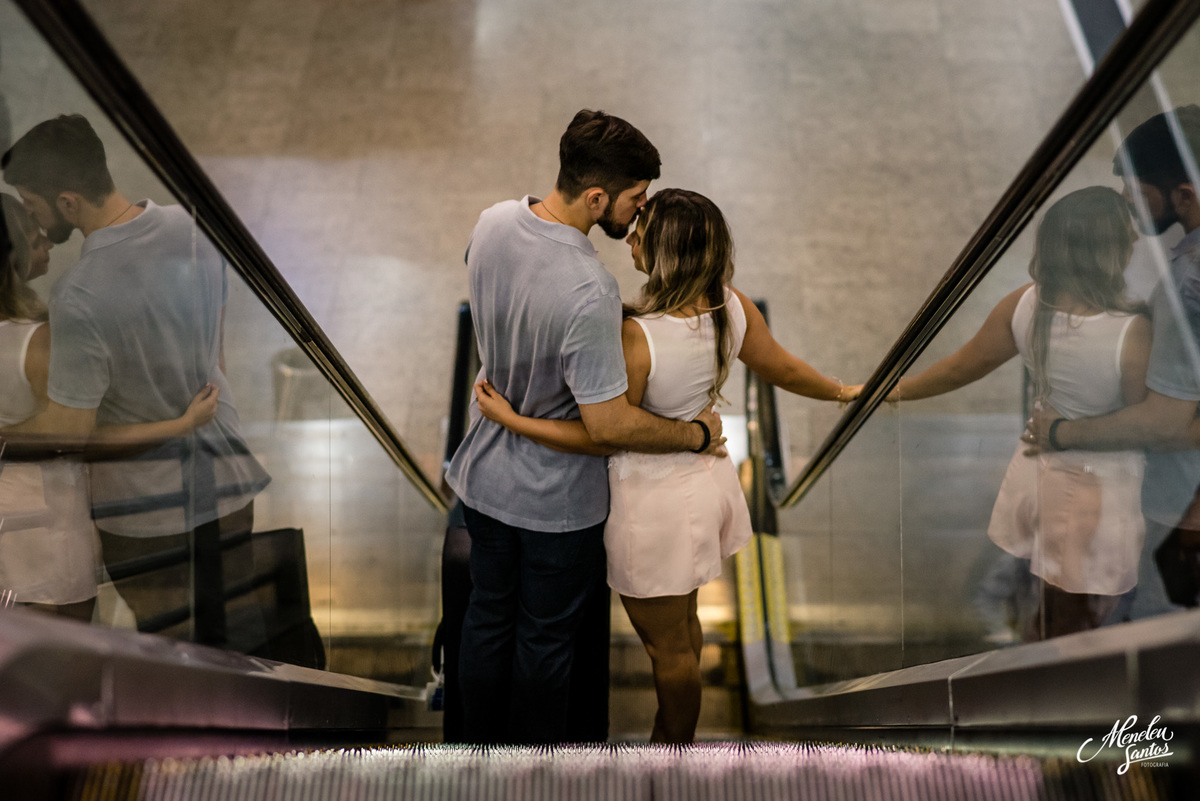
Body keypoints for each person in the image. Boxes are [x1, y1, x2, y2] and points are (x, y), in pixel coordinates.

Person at [475, 188, 855, 743]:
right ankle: (673, 742)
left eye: (641, 232)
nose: (630, 237)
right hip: (704, 488)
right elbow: (788, 371)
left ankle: (671, 751)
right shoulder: (730, 305)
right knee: (685, 630)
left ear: (665, 252)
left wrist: (513, 420)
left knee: (666, 649)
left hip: (651, 508)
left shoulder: (637, 336)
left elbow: (605, 435)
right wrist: (846, 391)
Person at [445, 111, 727, 746]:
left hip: (483, 478)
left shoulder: (493, 221)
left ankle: (475, 757)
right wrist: (695, 436)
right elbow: (607, 423)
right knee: (545, 642)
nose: (641, 208)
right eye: (635, 197)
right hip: (558, 507)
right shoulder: (589, 289)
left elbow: (497, 290)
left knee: (486, 621)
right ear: (598, 197)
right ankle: (541, 770)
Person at [1, 115, 269, 643]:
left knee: (170, 654)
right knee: (245, 636)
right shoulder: (194, 224)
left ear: (69, 202)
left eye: (33, 206)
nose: (32, 221)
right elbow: (214, 344)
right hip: (228, 476)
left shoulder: (79, 294)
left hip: (144, 516)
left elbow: (67, 431)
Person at [884, 187, 1151, 639]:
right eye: (1128, 238)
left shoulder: (1026, 304)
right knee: (1087, 617)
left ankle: (1032, 662)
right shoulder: (1131, 331)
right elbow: (1148, 425)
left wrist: (894, 391)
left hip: (1041, 479)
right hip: (1102, 495)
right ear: (1108, 251)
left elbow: (960, 368)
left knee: (1048, 598)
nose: (1136, 245)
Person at [0, 195, 219, 621]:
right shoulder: (40, 341)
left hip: (10, 522)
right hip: (48, 528)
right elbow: (77, 438)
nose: (46, 241)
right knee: (59, 665)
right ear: (13, 256)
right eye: (33, 237)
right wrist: (180, 425)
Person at [1030, 106, 1200, 619]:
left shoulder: (1187, 286)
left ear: (1185, 196)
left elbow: (1169, 425)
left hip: (1176, 510)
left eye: (1138, 192)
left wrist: (1059, 432)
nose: (1126, 204)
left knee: (1155, 648)